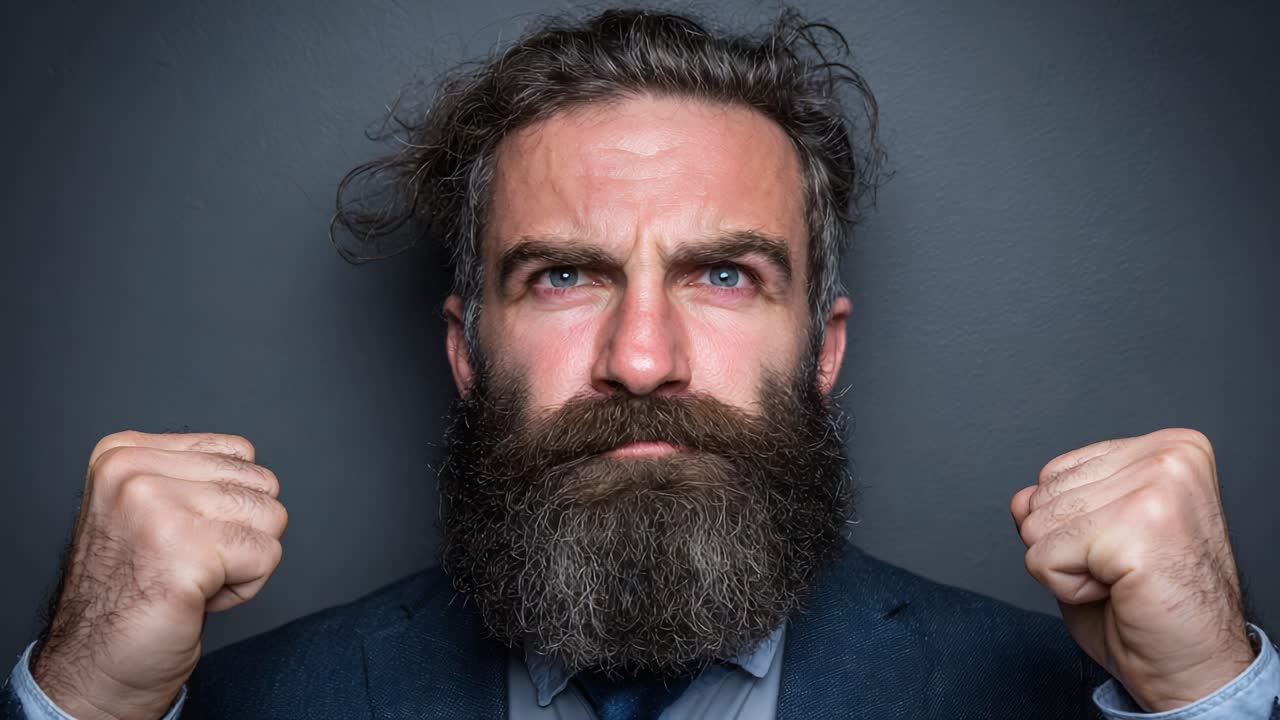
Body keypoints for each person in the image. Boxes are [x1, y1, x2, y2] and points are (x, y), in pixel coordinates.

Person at [3, 6, 1277, 720]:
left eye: (724, 274)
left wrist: (1205, 697)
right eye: (564, 276)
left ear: (821, 348)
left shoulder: (1070, 707)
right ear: (463, 348)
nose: (643, 357)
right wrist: (83, 702)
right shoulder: (239, 711)